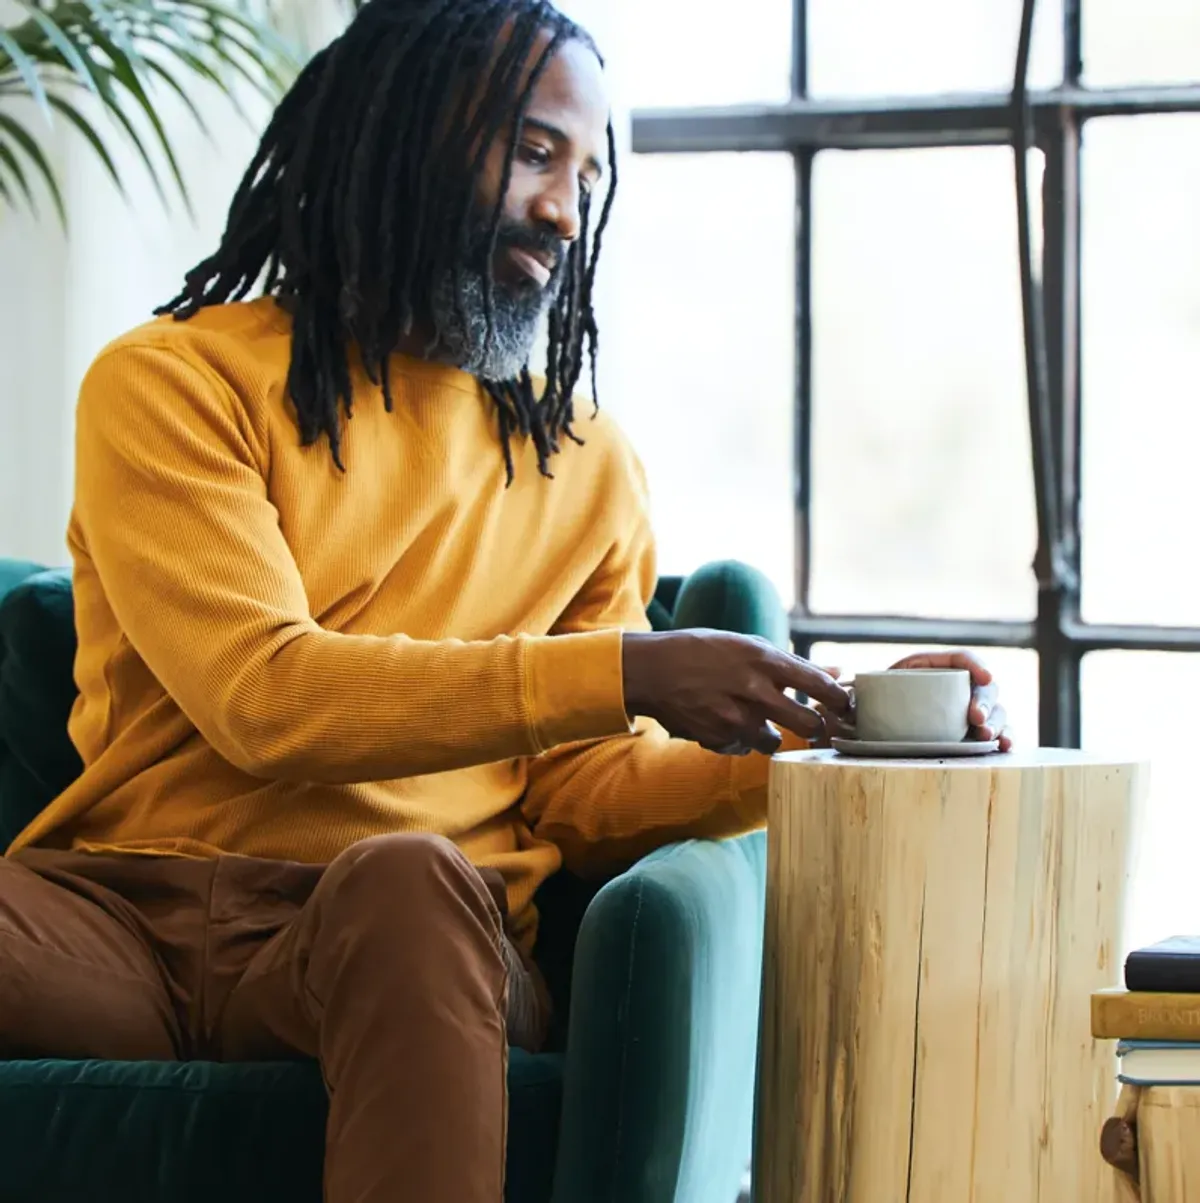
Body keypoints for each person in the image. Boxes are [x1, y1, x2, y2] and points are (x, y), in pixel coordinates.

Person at [0, 1, 1012, 1199]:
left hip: (398, 936)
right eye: (535, 151)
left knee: (405, 874)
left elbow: (579, 787)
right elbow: (263, 698)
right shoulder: (173, 383)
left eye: (586, 176)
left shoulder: (586, 467)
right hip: (117, 927)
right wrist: (632, 671)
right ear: (405, 128)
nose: (563, 208)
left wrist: (836, 738)